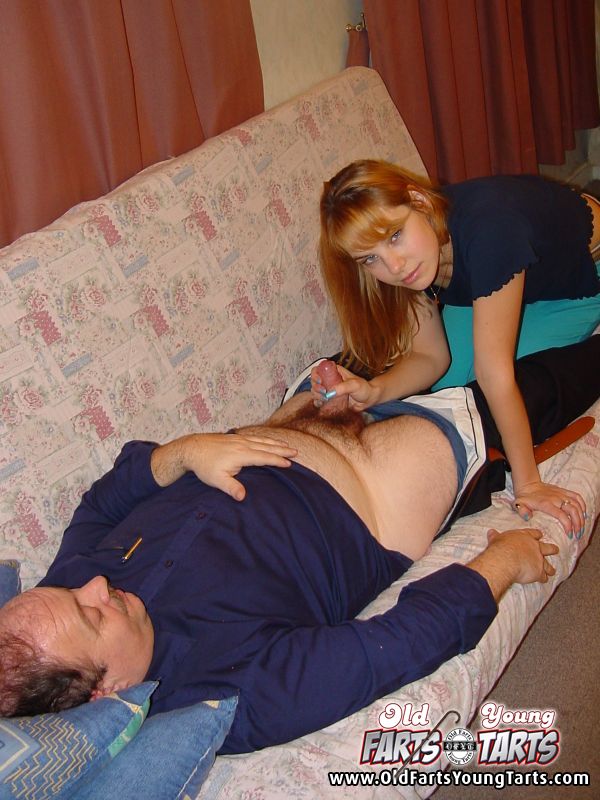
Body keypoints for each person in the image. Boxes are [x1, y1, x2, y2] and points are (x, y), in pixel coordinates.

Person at [0, 337, 598, 755]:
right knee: (562, 370)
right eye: (91, 614)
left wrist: (186, 452)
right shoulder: (225, 694)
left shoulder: (71, 587)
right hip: (406, 458)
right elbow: (391, 648)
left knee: (435, 298)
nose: (94, 584)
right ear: (105, 693)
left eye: (71, 590)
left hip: (321, 401)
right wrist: (499, 565)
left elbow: (101, 503)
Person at [317, 160, 600, 532]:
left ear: (419, 201)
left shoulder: (490, 230)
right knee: (449, 387)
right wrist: (374, 390)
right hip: (505, 278)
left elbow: (494, 374)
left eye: (395, 235)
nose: (395, 266)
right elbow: (430, 357)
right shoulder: (411, 263)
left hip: (577, 279)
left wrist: (528, 485)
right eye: (370, 258)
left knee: (500, 386)